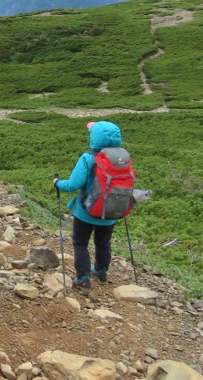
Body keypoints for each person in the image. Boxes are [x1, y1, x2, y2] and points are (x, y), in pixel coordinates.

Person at [53, 120, 120, 294]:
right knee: (103, 242)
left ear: (95, 137)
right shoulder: (122, 158)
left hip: (87, 211)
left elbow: (74, 184)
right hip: (112, 210)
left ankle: (83, 278)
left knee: (80, 243)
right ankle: (101, 271)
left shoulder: (89, 157)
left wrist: (57, 183)